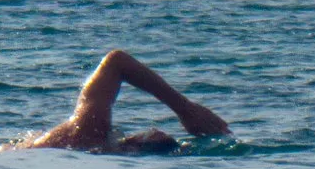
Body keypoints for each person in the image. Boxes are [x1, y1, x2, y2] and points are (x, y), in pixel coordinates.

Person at [20, 50, 231, 153]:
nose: (156, 131)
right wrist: (185, 109)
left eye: (151, 136)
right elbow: (116, 61)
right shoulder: (89, 132)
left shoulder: (93, 140)